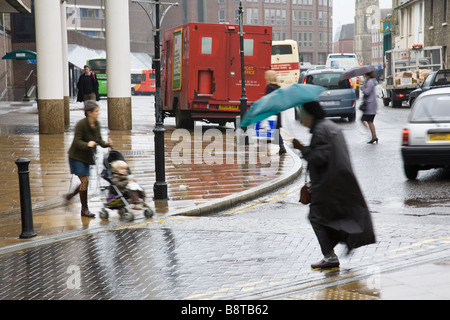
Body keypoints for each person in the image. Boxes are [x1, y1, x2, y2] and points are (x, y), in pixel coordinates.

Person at [293, 101, 376, 269]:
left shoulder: (320, 129)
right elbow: (325, 151)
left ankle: (330, 257)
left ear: (311, 114)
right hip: (338, 180)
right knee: (332, 218)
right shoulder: (328, 126)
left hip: (328, 184)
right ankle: (347, 241)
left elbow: (320, 157)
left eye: (302, 114)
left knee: (316, 218)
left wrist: (302, 149)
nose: (301, 118)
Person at [65, 100, 112, 217]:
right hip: (76, 156)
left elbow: (99, 140)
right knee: (85, 181)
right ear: (89, 112)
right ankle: (84, 209)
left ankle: (70, 196)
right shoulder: (81, 124)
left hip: (87, 157)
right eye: (96, 111)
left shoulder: (97, 124)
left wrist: (106, 143)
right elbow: (77, 141)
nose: (98, 113)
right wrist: (87, 144)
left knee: (84, 181)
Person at [264, 70, 286, 155]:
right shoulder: (278, 87)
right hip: (277, 111)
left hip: (271, 111)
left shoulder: (269, 87)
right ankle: (281, 147)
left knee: (267, 129)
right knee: (276, 130)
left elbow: (267, 100)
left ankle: (267, 150)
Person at [360, 71, 378, 144]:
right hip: (371, 104)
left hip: (370, 105)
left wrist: (362, 87)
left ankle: (373, 135)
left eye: (365, 75)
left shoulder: (370, 82)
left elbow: (367, 92)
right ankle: (374, 136)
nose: (364, 76)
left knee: (368, 121)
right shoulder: (370, 81)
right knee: (369, 121)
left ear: (368, 75)